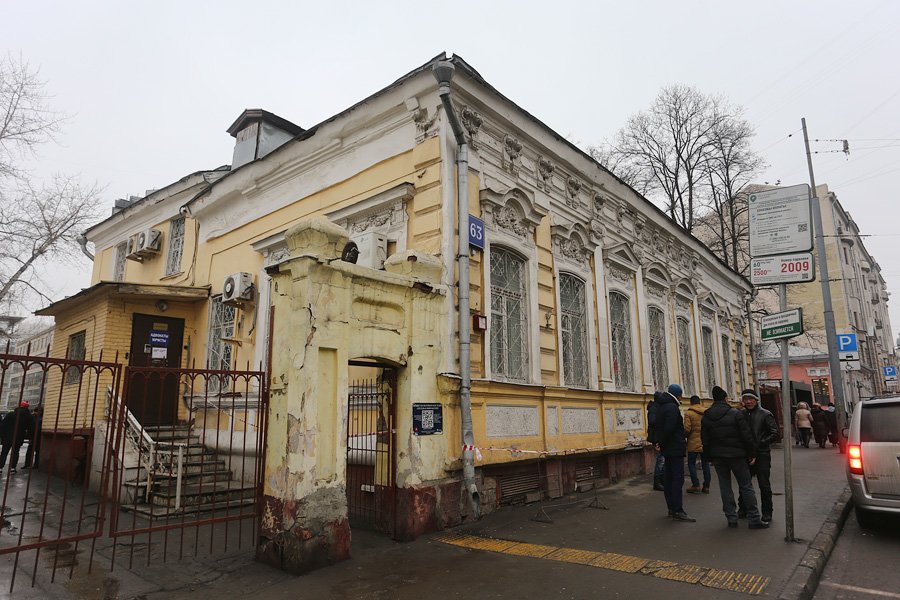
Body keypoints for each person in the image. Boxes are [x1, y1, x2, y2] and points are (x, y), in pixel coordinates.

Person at [701, 385, 769, 529]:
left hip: (718, 456)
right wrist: (751, 454)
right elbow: (746, 436)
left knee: (725, 487)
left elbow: (705, 439)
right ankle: (754, 519)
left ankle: (731, 518)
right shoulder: (735, 414)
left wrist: (708, 457)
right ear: (726, 398)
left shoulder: (707, 415)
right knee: (746, 486)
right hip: (737, 455)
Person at [656, 383, 695, 522]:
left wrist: (660, 443)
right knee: (677, 480)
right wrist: (663, 442)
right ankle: (678, 510)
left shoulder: (662, 406)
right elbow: (670, 428)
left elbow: (660, 427)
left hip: (668, 448)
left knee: (669, 478)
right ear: (678, 394)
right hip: (674, 448)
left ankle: (672, 509)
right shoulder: (672, 407)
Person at [739, 389, 779, 522]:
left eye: (751, 399)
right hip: (746, 454)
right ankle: (743, 509)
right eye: (746, 399)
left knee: (764, 485)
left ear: (756, 400)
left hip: (761, 454)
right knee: (744, 484)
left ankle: (767, 512)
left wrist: (760, 443)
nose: (748, 401)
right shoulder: (741, 414)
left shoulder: (765, 414)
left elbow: (774, 433)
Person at [683, 395, 710, 494]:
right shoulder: (706, 412)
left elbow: (687, 429)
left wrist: (685, 436)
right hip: (704, 442)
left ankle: (696, 485)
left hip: (693, 442)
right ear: (699, 402)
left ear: (691, 402)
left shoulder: (689, 413)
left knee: (691, 464)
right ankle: (706, 486)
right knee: (705, 464)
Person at [0, 401, 35, 474]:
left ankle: (0, 467)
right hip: (19, 437)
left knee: (4, 452)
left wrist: (2, 435)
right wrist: (30, 438)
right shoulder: (29, 416)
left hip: (7, 437)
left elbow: (3, 425)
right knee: (15, 452)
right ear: (27, 407)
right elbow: (31, 428)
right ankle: (12, 468)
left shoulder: (11, 414)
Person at [647, 391, 666, 491]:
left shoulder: (657, 407)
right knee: (660, 460)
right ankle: (657, 482)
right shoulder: (654, 408)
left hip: (658, 436)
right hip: (656, 437)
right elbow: (652, 421)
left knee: (662, 459)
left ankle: (661, 480)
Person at [23, 405, 43, 469]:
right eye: (35, 411)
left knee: (37, 452)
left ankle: (36, 465)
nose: (36, 413)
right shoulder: (32, 417)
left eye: (37, 411)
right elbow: (29, 427)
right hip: (32, 436)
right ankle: (27, 464)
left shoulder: (42, 418)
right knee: (29, 451)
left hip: (39, 437)